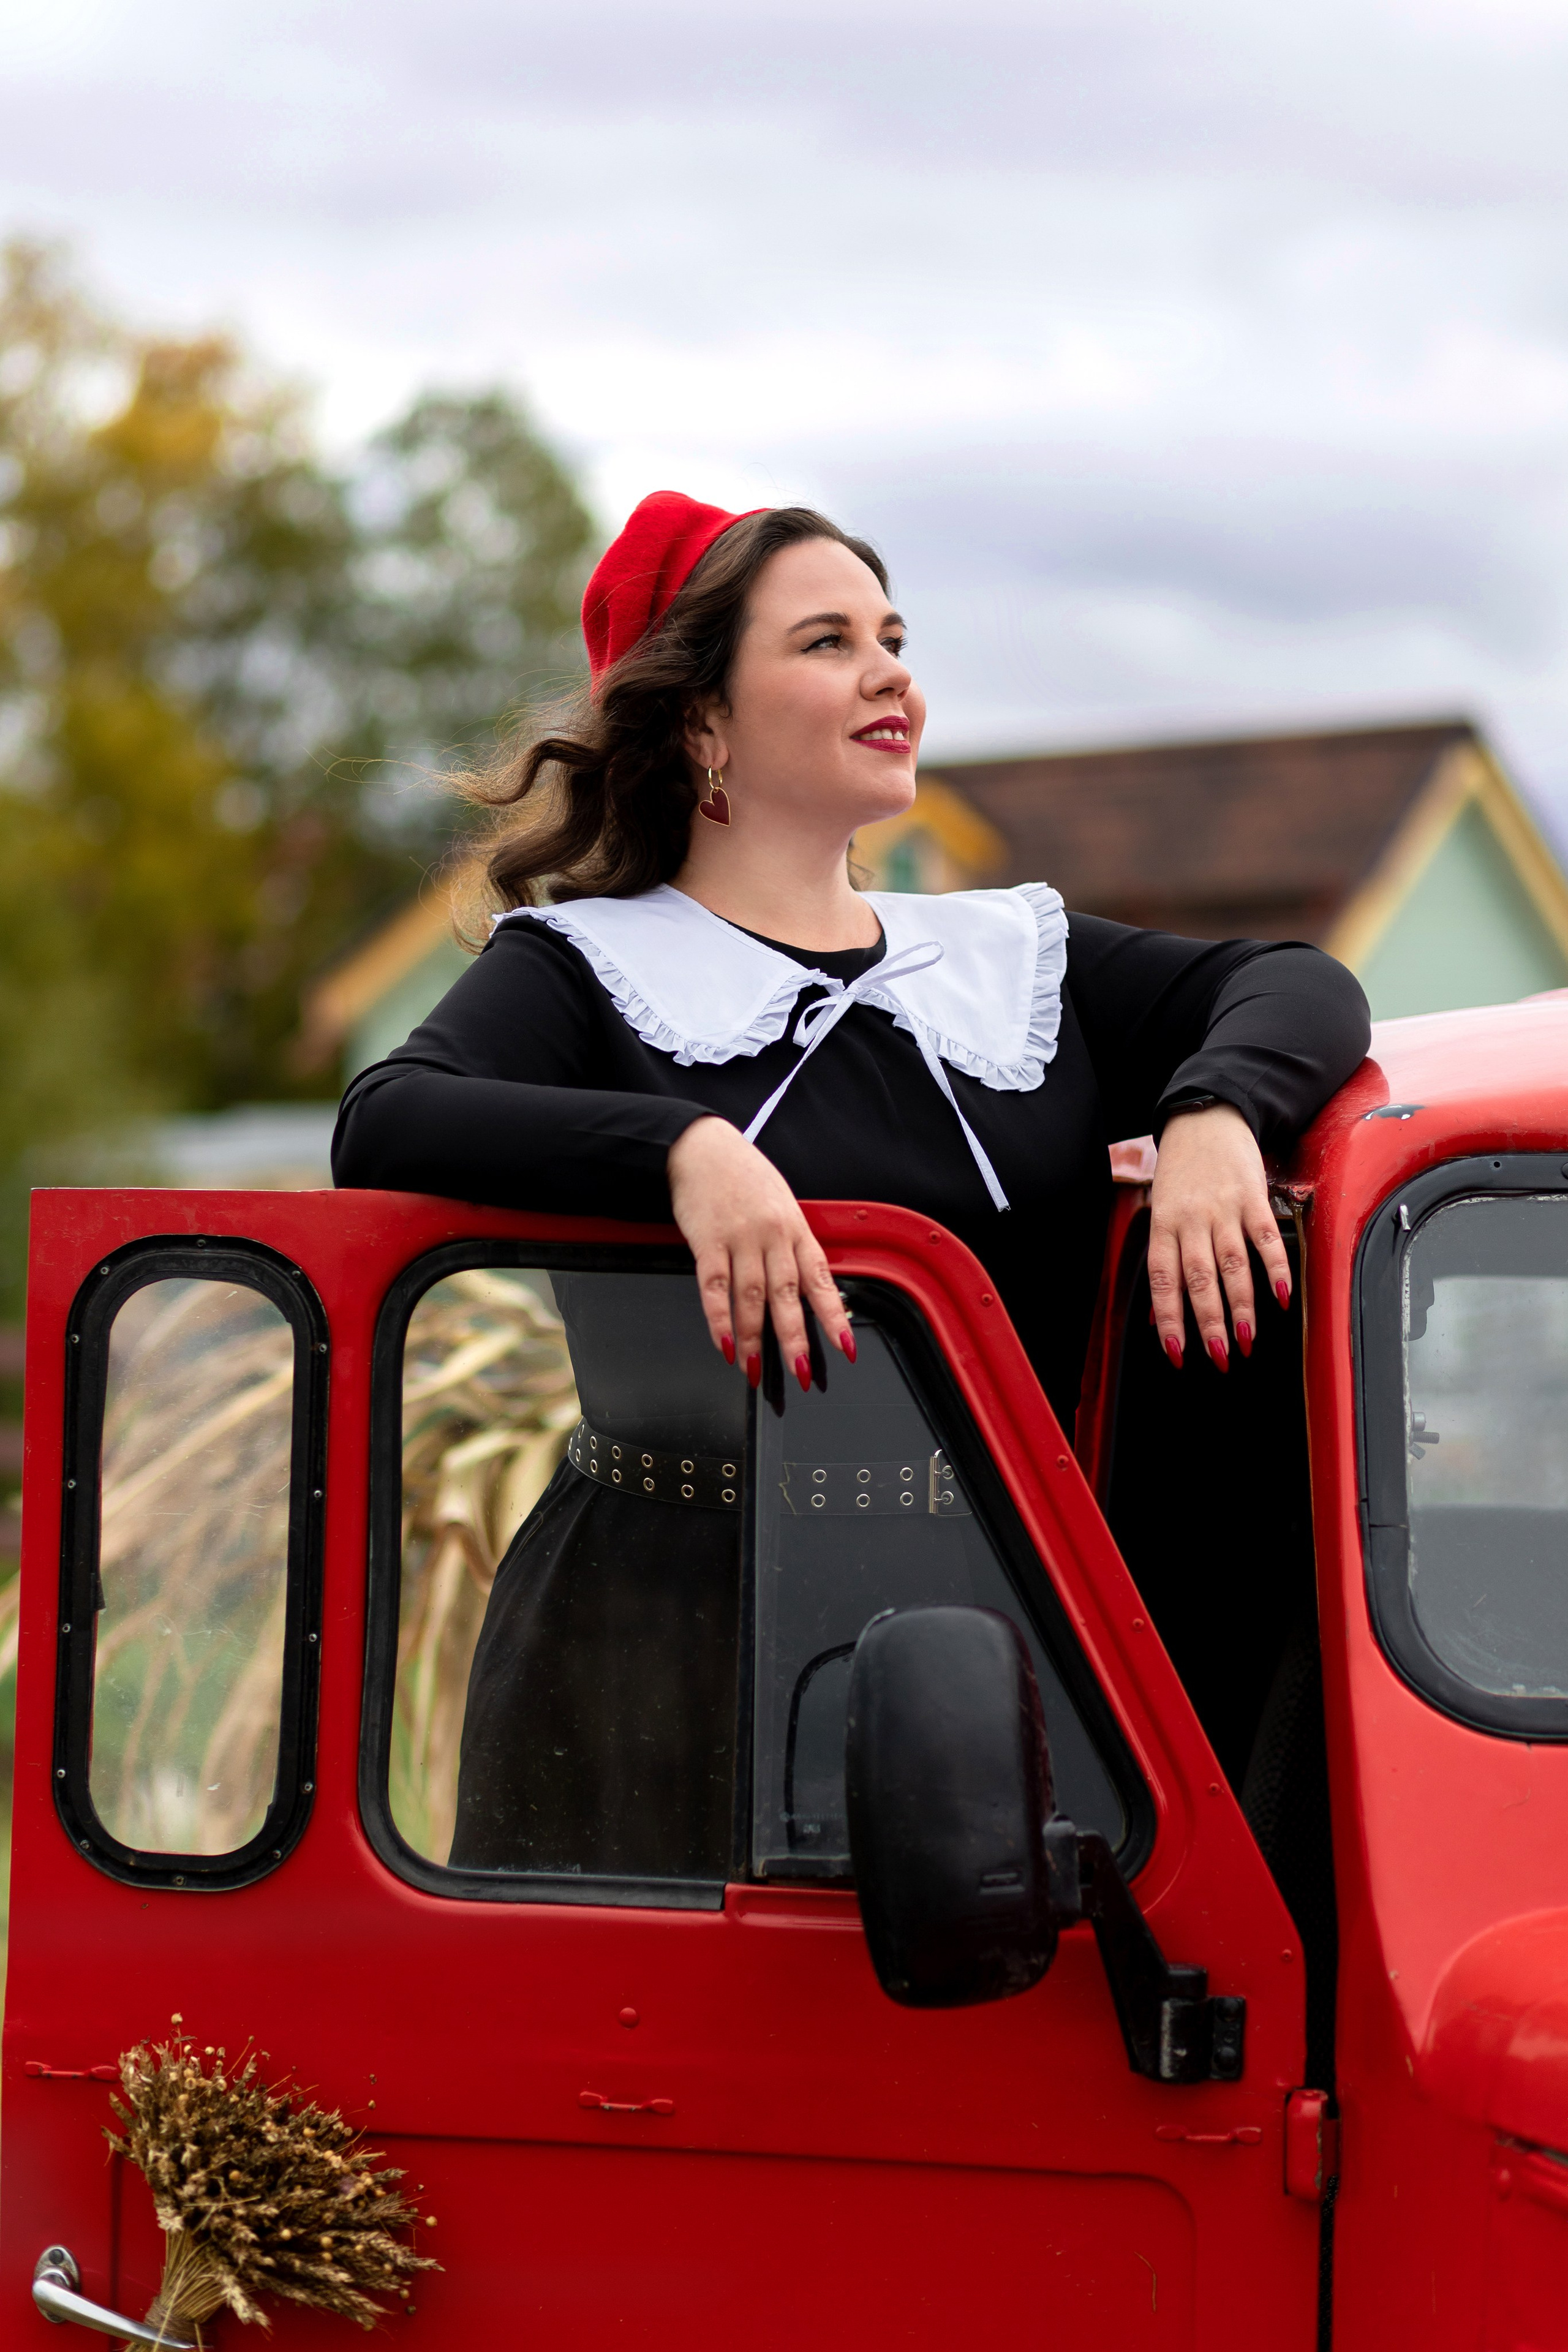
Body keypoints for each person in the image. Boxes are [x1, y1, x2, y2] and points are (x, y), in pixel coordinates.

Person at [333, 491, 1370, 1882]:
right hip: (664, 1636)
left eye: (891, 635)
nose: (891, 673)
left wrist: (1212, 1112)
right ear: (699, 722)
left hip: (1005, 1611)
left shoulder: (1007, 958)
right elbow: (390, 1122)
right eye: (826, 642)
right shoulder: (586, 968)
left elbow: (1295, 984)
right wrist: (684, 1154)